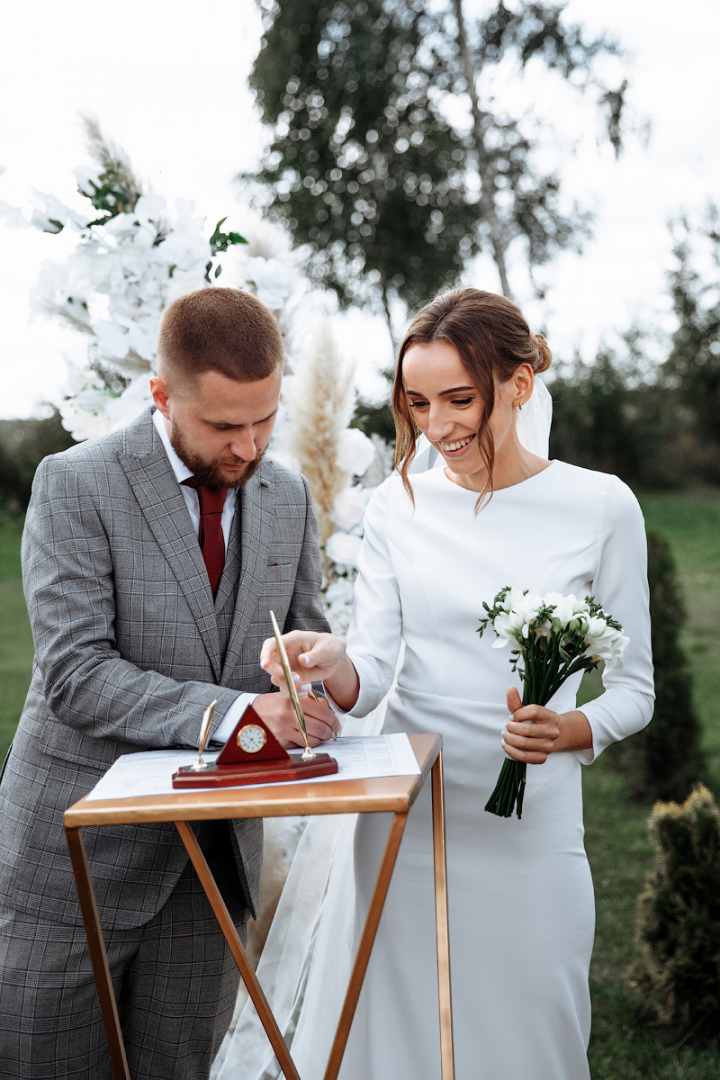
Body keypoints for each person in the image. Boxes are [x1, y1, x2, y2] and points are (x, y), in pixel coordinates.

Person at [261, 288, 654, 1080]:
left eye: (459, 399)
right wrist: (327, 660)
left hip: (530, 827)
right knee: (394, 1041)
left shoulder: (602, 507)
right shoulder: (396, 506)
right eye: (418, 403)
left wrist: (569, 730)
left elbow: (634, 689)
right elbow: (368, 674)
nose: (437, 427)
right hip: (413, 820)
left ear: (519, 383)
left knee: (529, 1033)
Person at [0, 286, 339, 1080]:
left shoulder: (288, 497)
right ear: (161, 394)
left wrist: (310, 694)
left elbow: (306, 640)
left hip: (211, 875)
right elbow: (77, 675)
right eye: (224, 424)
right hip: (75, 867)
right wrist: (237, 714)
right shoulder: (74, 483)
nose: (249, 446)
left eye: (265, 418)